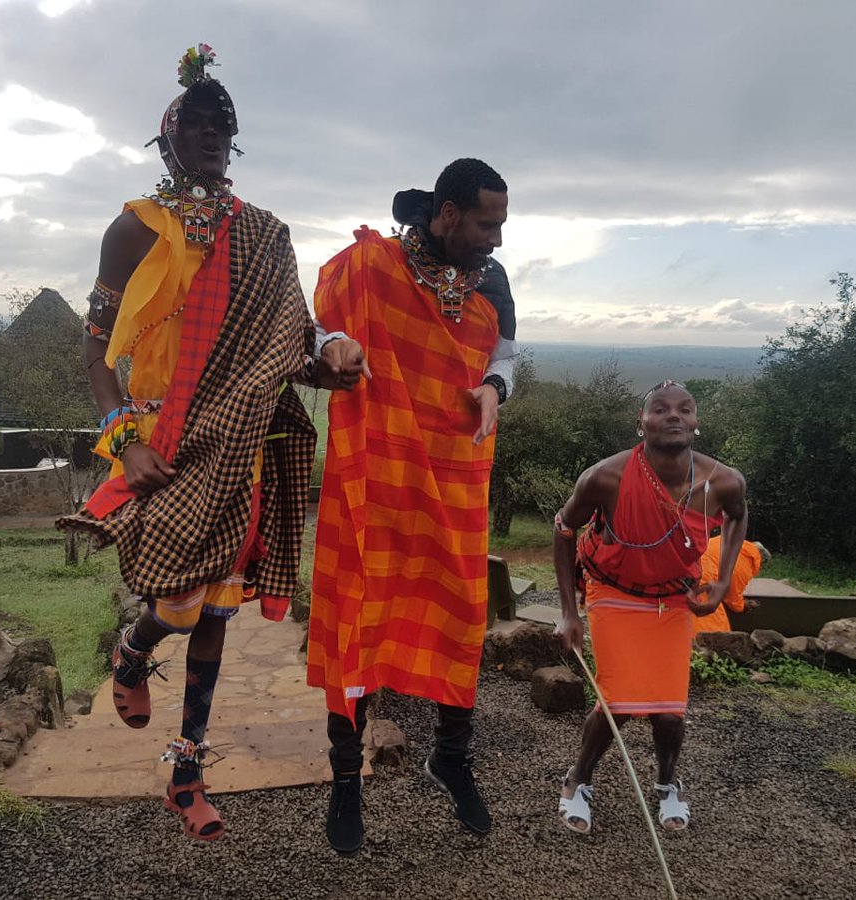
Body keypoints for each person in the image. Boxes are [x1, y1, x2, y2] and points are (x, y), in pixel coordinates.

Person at [57, 45, 365, 842]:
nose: (209, 136)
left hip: (243, 441)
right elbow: (95, 350)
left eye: (221, 125)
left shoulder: (263, 235)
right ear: (168, 138)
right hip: (163, 437)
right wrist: (123, 441)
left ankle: (186, 765)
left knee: (218, 609)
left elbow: (289, 338)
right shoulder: (134, 229)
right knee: (179, 603)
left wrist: (331, 353)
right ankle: (134, 649)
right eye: (194, 123)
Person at [305, 158, 518, 855]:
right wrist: (333, 343)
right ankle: (345, 778)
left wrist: (494, 386)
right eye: (487, 224)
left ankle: (450, 758)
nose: (496, 239)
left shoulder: (493, 283)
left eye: (502, 224)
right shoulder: (368, 267)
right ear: (448, 213)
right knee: (358, 617)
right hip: (376, 474)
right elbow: (313, 329)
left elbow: (506, 353)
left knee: (461, 609)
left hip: (457, 470)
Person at [554, 380, 747, 835]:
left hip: (674, 598)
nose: (673, 415)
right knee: (617, 701)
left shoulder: (723, 480)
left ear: (696, 423)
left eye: (685, 408)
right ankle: (578, 779)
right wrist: (568, 611)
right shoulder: (605, 477)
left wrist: (722, 581)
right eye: (660, 409)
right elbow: (564, 529)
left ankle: (667, 783)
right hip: (613, 593)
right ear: (640, 423)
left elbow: (738, 514)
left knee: (668, 710)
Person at [694, 534, 770, 633]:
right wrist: (742, 606)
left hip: (690, 568)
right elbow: (732, 595)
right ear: (761, 562)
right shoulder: (744, 565)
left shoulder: (729, 541)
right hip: (702, 579)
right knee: (716, 627)